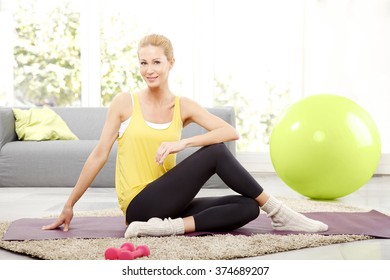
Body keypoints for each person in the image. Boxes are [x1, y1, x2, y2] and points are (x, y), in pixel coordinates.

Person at [43, 34, 328, 237]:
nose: (149, 70)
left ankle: (166, 228)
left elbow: (230, 132)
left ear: (170, 63)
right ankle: (279, 212)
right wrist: (69, 205)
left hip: (169, 205)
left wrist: (183, 141)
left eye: (156, 62)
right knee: (216, 153)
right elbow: (99, 155)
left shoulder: (182, 106)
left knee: (248, 207)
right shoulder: (124, 103)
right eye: (143, 63)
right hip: (138, 205)